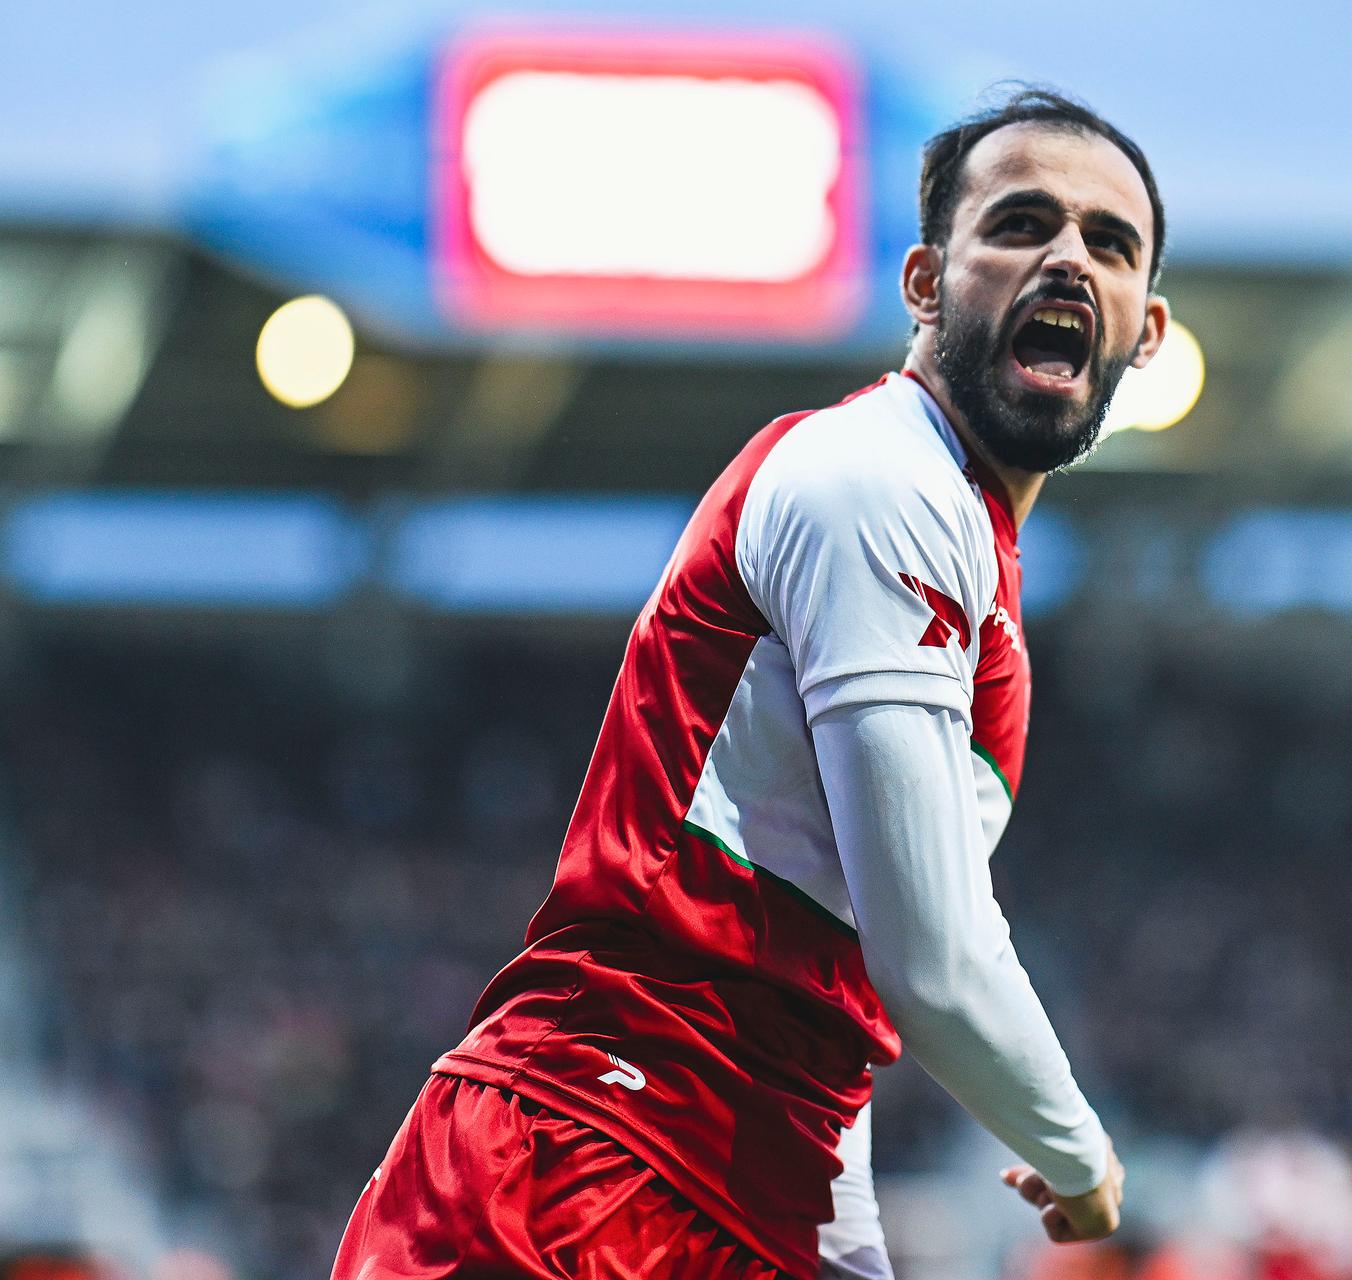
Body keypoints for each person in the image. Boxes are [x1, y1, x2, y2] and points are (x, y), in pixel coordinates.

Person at [332, 84, 1171, 1280]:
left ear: (1146, 328)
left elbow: (819, 987)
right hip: (588, 1168)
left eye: (1109, 241)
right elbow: (928, 952)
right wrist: (1080, 1157)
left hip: (721, 1174)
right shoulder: (877, 483)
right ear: (926, 285)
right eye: (1021, 223)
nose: (1068, 260)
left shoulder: (966, 540)